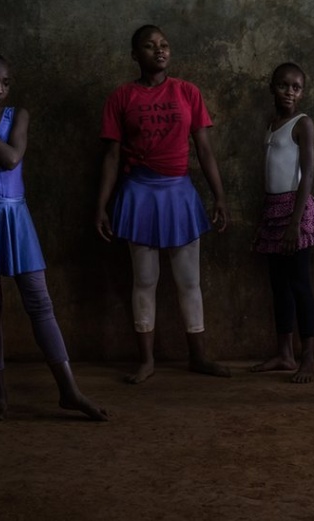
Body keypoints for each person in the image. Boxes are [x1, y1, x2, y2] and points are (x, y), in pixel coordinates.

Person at [0, 51, 108, 421]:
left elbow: (13, 159)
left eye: (5, 82)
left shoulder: (19, 116)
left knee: (39, 302)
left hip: (15, 214)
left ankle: (69, 390)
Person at [97, 25, 231, 384]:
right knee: (145, 280)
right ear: (134, 55)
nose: (159, 51)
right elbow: (111, 155)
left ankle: (198, 357)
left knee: (189, 281)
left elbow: (204, 148)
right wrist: (101, 205)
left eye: (164, 45)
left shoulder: (187, 92)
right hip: (139, 193)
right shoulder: (121, 97)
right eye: (150, 46)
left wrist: (219, 196)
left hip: (179, 194)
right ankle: (146, 360)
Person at [250, 63, 314, 383]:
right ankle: (284, 353)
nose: (290, 91)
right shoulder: (271, 124)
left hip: (295, 210)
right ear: (272, 87)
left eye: (296, 87)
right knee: (278, 285)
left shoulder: (302, 123)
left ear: (302, 92)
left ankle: (307, 357)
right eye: (283, 85)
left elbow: (307, 173)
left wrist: (295, 222)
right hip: (272, 210)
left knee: (299, 284)